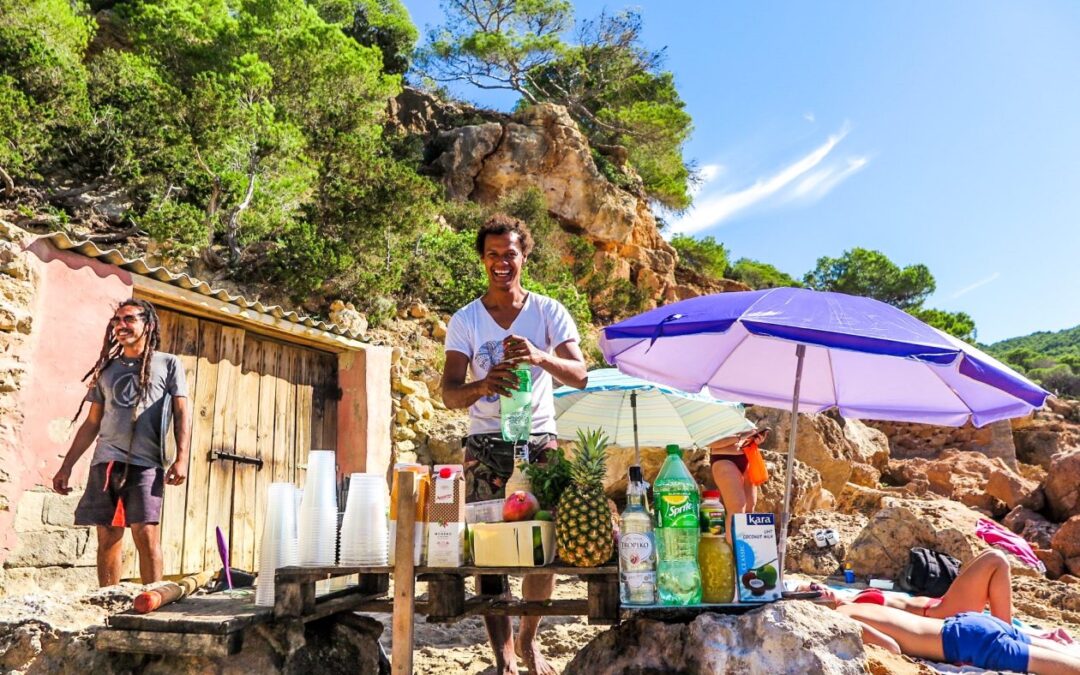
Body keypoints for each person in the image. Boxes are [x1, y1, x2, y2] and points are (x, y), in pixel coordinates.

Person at [441, 213, 588, 675]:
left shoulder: (548, 312)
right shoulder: (466, 319)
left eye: (510, 254)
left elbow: (580, 375)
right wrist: (484, 385)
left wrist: (540, 355)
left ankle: (529, 638)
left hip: (538, 439)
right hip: (484, 443)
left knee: (541, 544)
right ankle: (503, 656)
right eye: (492, 255)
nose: (501, 263)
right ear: (482, 260)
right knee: (489, 550)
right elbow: (448, 393)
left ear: (524, 256)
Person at [52, 299, 190, 586]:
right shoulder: (107, 369)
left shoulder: (168, 364)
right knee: (108, 535)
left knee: (145, 533)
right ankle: (108, 601)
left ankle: (154, 601)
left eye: (128, 319)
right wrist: (66, 466)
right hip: (106, 461)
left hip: (147, 462)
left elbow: (181, 412)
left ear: (147, 325)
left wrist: (181, 457)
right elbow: (92, 423)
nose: (120, 326)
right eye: (116, 320)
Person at [833, 602, 1080, 673]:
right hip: (968, 622)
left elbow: (892, 648)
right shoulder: (856, 603)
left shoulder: (839, 619)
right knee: (1069, 656)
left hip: (962, 642)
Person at [708, 426, 769, 543]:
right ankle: (733, 555)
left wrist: (755, 438)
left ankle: (747, 554)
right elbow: (711, 442)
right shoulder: (717, 412)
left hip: (747, 455)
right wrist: (740, 437)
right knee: (737, 508)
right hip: (724, 458)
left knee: (749, 509)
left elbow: (744, 438)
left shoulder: (741, 414)